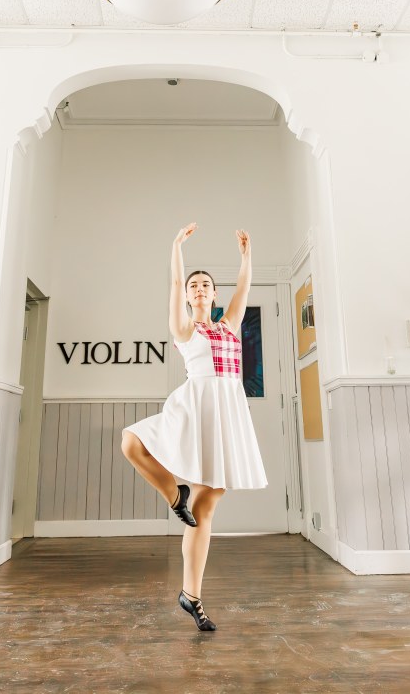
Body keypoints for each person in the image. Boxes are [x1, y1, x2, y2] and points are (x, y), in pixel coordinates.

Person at [121, 222, 268, 631]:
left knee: (205, 510)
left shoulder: (229, 325)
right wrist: (176, 247)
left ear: (214, 294)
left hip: (225, 416)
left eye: (206, 285)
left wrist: (246, 256)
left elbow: (244, 287)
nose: (199, 289)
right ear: (188, 296)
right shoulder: (185, 329)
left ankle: (192, 596)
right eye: (194, 286)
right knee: (131, 441)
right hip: (193, 409)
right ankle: (174, 495)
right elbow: (173, 281)